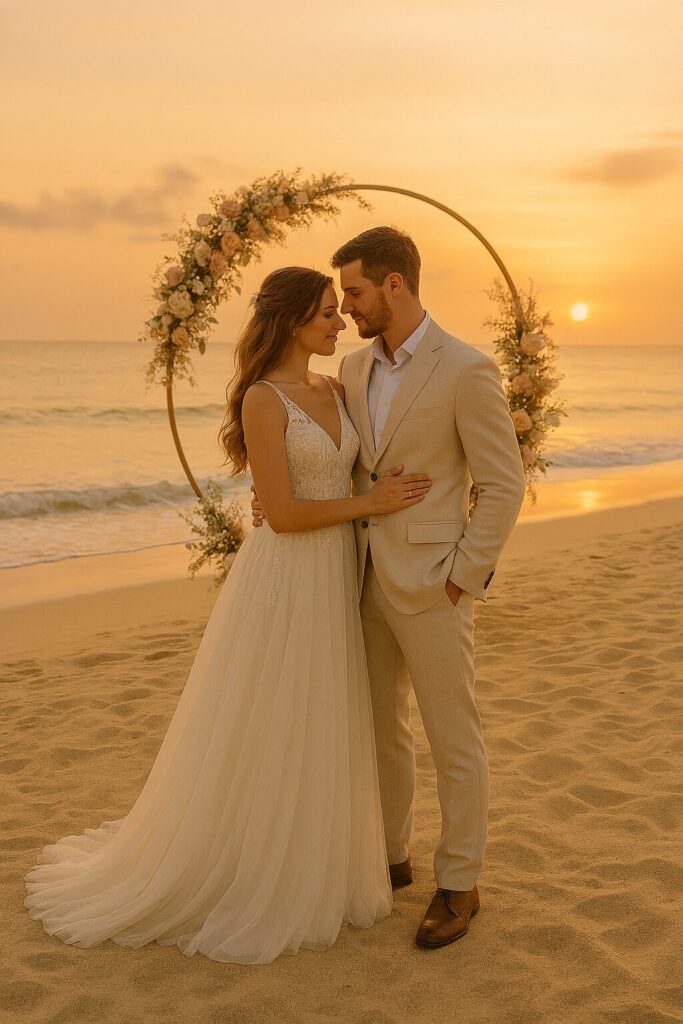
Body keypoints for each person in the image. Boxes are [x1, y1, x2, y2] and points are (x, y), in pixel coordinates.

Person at [24, 266, 434, 965]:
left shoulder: (336, 388)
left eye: (341, 311)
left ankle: (317, 854)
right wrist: (370, 506)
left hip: (338, 572)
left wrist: (383, 495)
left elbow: (347, 476)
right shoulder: (262, 400)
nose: (339, 324)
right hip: (287, 576)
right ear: (293, 320)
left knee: (324, 715)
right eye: (327, 313)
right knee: (274, 714)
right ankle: (256, 864)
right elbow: (285, 512)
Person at [252, 228, 526, 948]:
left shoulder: (465, 369)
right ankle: (392, 855)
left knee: (451, 736)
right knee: (379, 729)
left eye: (354, 292)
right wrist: (275, 502)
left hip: (434, 583)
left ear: (394, 286)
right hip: (359, 576)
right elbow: (340, 467)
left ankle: (460, 881)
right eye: (342, 296)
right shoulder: (349, 368)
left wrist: (463, 579)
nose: (346, 307)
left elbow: (503, 484)